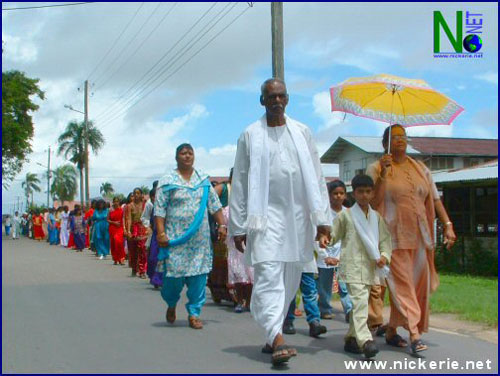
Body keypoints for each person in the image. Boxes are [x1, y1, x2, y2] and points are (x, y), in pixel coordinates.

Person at [228, 78, 331, 366]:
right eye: (270, 97)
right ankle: (278, 338)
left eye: (281, 96)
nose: (276, 101)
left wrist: (322, 219)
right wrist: (237, 226)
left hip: (298, 219)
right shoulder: (249, 134)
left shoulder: (302, 132)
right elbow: (241, 182)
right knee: (268, 276)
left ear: (287, 100)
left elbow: (317, 176)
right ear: (262, 101)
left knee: (290, 278)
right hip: (263, 219)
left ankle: (270, 334)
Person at [366, 124, 457, 355]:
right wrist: (383, 175)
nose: (400, 140)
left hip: (420, 238)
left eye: (403, 136)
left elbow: (435, 200)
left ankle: (391, 330)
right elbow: (371, 201)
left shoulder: (421, 169)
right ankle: (415, 334)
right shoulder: (376, 168)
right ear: (385, 142)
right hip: (391, 239)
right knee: (403, 286)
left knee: (416, 288)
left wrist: (447, 225)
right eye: (394, 137)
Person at [318, 174, 392, 359]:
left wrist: (384, 256)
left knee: (361, 303)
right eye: (361, 192)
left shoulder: (377, 218)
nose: (364, 195)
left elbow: (385, 241)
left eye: (368, 191)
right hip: (351, 266)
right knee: (359, 304)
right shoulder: (346, 216)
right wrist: (326, 238)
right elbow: (333, 235)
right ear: (354, 193)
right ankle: (366, 340)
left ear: (373, 193)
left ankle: (351, 339)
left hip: (370, 268)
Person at [154, 143, 227, 330]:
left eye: (190, 153)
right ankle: (171, 303)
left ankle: (194, 313)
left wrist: (222, 225)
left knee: (199, 278)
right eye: (183, 153)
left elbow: (215, 205)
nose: (187, 156)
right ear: (176, 157)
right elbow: (159, 209)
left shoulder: (202, 180)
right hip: (175, 239)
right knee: (173, 279)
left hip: (199, 241)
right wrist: (161, 233)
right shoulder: (167, 181)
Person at [316, 180, 353, 322]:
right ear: (329, 195)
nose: (338, 196)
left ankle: (349, 309)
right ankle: (324, 308)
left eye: (341, 193)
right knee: (325, 284)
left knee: (344, 285)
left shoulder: (348, 213)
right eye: (335, 193)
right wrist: (325, 255)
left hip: (342, 254)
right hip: (326, 253)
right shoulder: (324, 213)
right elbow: (319, 234)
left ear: (345, 195)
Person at [126, 188, 148, 278]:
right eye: (135, 193)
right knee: (133, 250)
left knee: (142, 250)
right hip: (133, 229)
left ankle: (142, 271)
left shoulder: (145, 205)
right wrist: (128, 230)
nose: (136, 195)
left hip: (143, 228)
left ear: (141, 194)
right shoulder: (130, 206)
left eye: (138, 193)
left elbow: (147, 217)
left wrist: (147, 228)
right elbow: (129, 219)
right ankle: (134, 269)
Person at [108, 197, 126, 265]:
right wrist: (114, 223)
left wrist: (124, 229)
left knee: (119, 242)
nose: (116, 203)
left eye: (117, 201)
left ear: (119, 202)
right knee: (113, 243)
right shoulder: (110, 210)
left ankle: (121, 258)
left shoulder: (122, 210)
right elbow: (108, 219)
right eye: (114, 201)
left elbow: (123, 219)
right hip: (112, 228)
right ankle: (115, 258)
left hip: (120, 228)